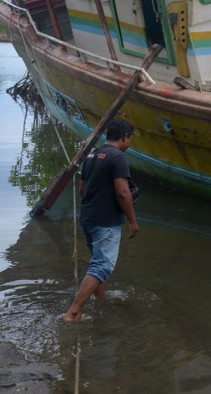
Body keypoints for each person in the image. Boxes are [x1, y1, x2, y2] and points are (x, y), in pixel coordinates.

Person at [62, 118, 139, 322]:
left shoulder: (92, 154)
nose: (129, 143)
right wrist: (132, 221)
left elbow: (82, 189)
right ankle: (74, 311)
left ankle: (100, 299)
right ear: (125, 137)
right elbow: (123, 193)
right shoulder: (118, 157)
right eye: (129, 139)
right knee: (102, 265)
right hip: (106, 220)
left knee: (97, 259)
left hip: (88, 217)